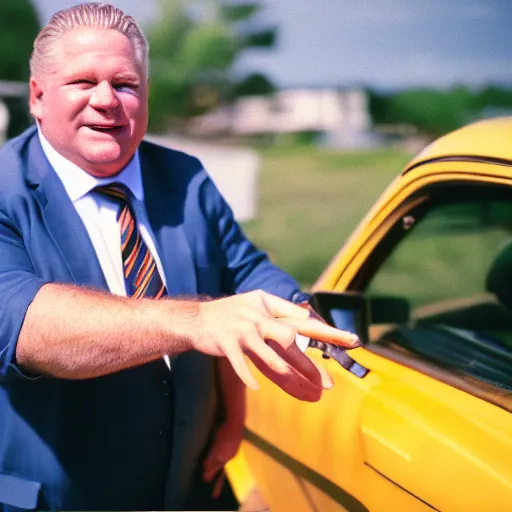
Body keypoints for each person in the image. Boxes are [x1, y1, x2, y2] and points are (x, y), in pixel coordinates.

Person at [0, 3, 358, 511]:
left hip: (190, 489)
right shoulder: (4, 188)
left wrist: (300, 318)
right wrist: (197, 321)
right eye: (83, 82)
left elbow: (244, 268)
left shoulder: (185, 177)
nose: (106, 101)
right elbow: (26, 326)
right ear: (38, 97)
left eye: (125, 85)